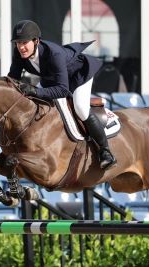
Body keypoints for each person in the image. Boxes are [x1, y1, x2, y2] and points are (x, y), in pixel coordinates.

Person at [8, 20, 116, 170]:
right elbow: (13, 79)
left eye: (24, 42)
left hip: (78, 75)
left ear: (36, 41)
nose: (21, 47)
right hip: (52, 78)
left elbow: (62, 90)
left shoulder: (54, 54)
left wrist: (35, 91)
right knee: (32, 103)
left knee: (80, 108)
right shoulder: (19, 53)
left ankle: (106, 152)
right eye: (17, 43)